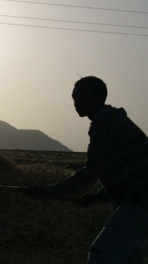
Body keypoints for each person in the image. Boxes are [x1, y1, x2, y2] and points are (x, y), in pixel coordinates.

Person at [24, 76, 148, 264]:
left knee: (101, 258)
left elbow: (90, 172)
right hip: (139, 201)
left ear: (99, 97)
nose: (77, 103)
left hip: (138, 202)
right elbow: (128, 173)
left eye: (82, 96)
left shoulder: (104, 123)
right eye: (74, 97)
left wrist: (45, 191)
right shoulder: (115, 119)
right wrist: (97, 197)